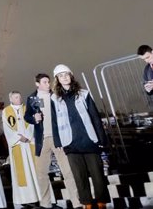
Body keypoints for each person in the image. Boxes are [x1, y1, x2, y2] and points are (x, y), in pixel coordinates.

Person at [51, 64, 109, 209]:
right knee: (79, 176)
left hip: (89, 139)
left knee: (97, 174)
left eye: (66, 74)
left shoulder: (84, 93)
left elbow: (95, 117)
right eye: (61, 75)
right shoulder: (54, 99)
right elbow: (54, 121)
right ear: (57, 79)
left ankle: (101, 202)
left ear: (71, 75)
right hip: (70, 142)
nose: (64, 77)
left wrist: (101, 139)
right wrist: (58, 141)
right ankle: (87, 203)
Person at [25, 73, 80, 209]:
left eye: (48, 82)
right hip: (42, 141)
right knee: (41, 174)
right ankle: (45, 204)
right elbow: (27, 116)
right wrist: (34, 118)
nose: (47, 84)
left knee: (68, 171)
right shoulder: (33, 98)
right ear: (37, 84)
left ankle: (77, 202)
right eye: (44, 82)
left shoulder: (55, 95)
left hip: (58, 139)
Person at [2, 91, 40, 206]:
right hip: (17, 145)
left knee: (35, 170)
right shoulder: (6, 111)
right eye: (16, 97)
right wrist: (19, 138)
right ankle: (25, 198)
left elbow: (33, 123)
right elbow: (7, 128)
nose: (19, 99)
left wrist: (27, 136)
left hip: (29, 143)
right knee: (21, 173)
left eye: (19, 96)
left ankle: (39, 195)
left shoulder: (28, 108)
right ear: (11, 99)